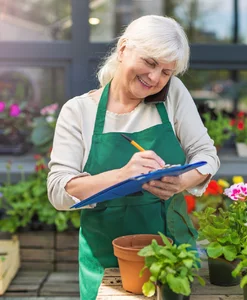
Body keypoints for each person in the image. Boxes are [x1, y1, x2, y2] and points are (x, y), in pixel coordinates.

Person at [47, 15, 220, 299]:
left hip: (172, 255)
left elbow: (207, 155)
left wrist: (181, 182)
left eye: (166, 72)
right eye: (150, 63)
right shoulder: (78, 112)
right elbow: (58, 190)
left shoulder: (172, 95)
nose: (155, 78)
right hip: (106, 261)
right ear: (124, 48)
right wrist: (122, 174)